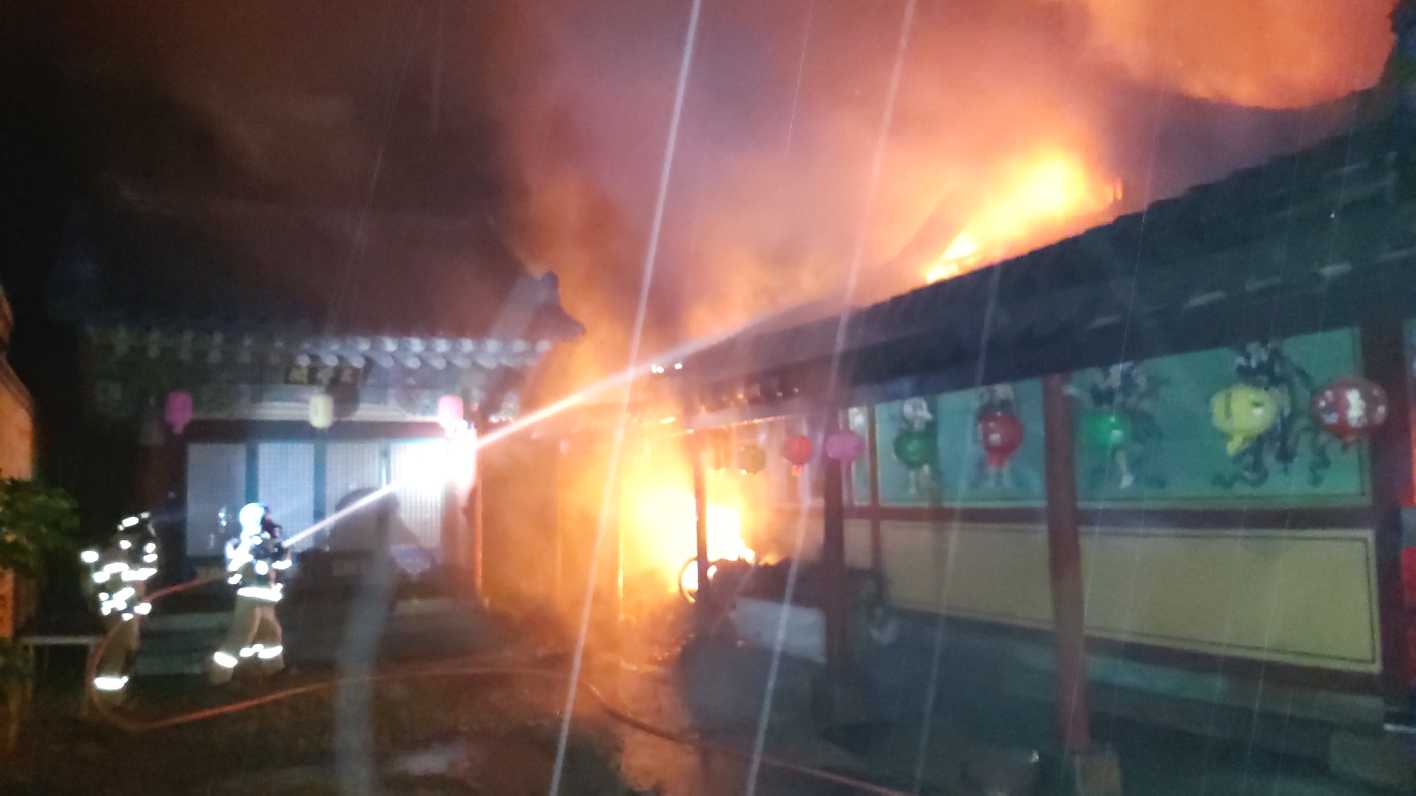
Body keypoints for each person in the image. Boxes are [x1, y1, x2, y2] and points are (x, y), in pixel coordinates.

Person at [79, 512, 161, 705]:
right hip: (117, 612)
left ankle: (116, 697)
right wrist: (132, 605)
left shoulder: (128, 554)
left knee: (127, 651)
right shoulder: (115, 556)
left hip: (126, 612)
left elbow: (145, 575)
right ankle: (107, 700)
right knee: (118, 651)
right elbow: (117, 589)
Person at [209, 502, 291, 684]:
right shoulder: (238, 543)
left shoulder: (272, 541)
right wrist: (248, 549)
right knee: (241, 636)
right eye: (265, 518)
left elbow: (283, 563)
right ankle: (219, 678)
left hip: (267, 596)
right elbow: (232, 572)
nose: (269, 521)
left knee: (272, 635)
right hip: (249, 598)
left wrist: (281, 551)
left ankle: (274, 672)